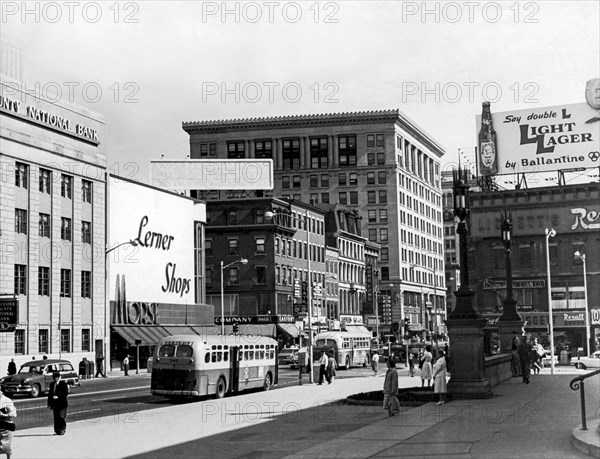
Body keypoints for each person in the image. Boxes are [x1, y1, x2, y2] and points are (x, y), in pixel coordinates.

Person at [47, 371, 69, 435]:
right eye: (54, 377)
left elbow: (65, 393)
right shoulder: (52, 384)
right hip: (55, 404)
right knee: (56, 417)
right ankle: (57, 431)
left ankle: (62, 429)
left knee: (61, 417)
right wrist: (49, 403)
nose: (55, 379)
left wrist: (58, 397)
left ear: (59, 377)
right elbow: (50, 394)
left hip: (62, 404)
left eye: (56, 377)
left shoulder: (63, 384)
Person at [0, 391, 16, 459]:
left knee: (7, 447)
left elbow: (14, 414)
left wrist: (3, 415)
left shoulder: (7, 400)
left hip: (6, 426)